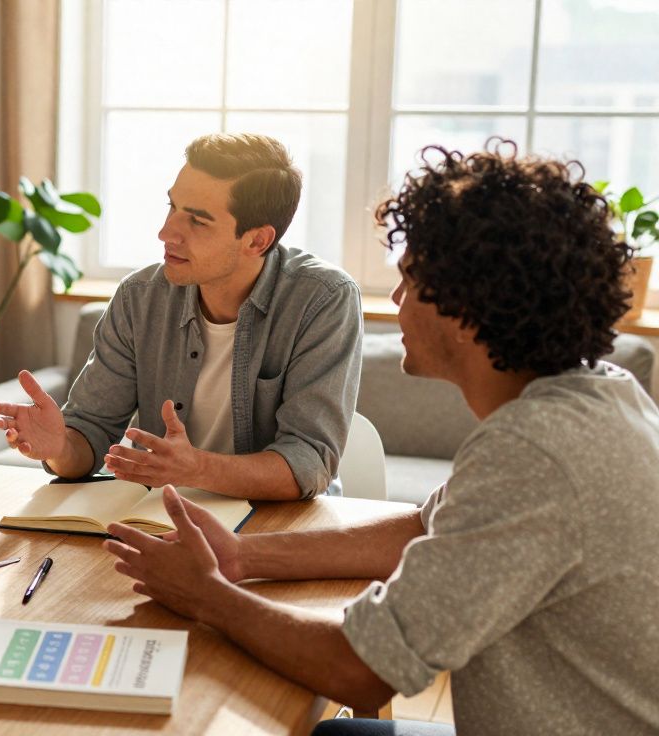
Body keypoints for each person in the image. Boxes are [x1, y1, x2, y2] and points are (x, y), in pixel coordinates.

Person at [104, 141, 659, 735]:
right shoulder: (598, 393)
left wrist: (208, 595)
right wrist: (242, 557)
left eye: (411, 281)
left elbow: (361, 668)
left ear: (470, 307)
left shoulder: (535, 453)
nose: (395, 301)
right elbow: (425, 529)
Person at [0, 133, 362, 500]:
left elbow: (308, 462)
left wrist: (195, 469)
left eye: (198, 221)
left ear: (257, 241)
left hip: (278, 525)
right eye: (172, 208)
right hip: (157, 518)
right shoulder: (140, 297)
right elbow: (90, 432)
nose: (165, 233)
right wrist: (59, 448)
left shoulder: (324, 300)